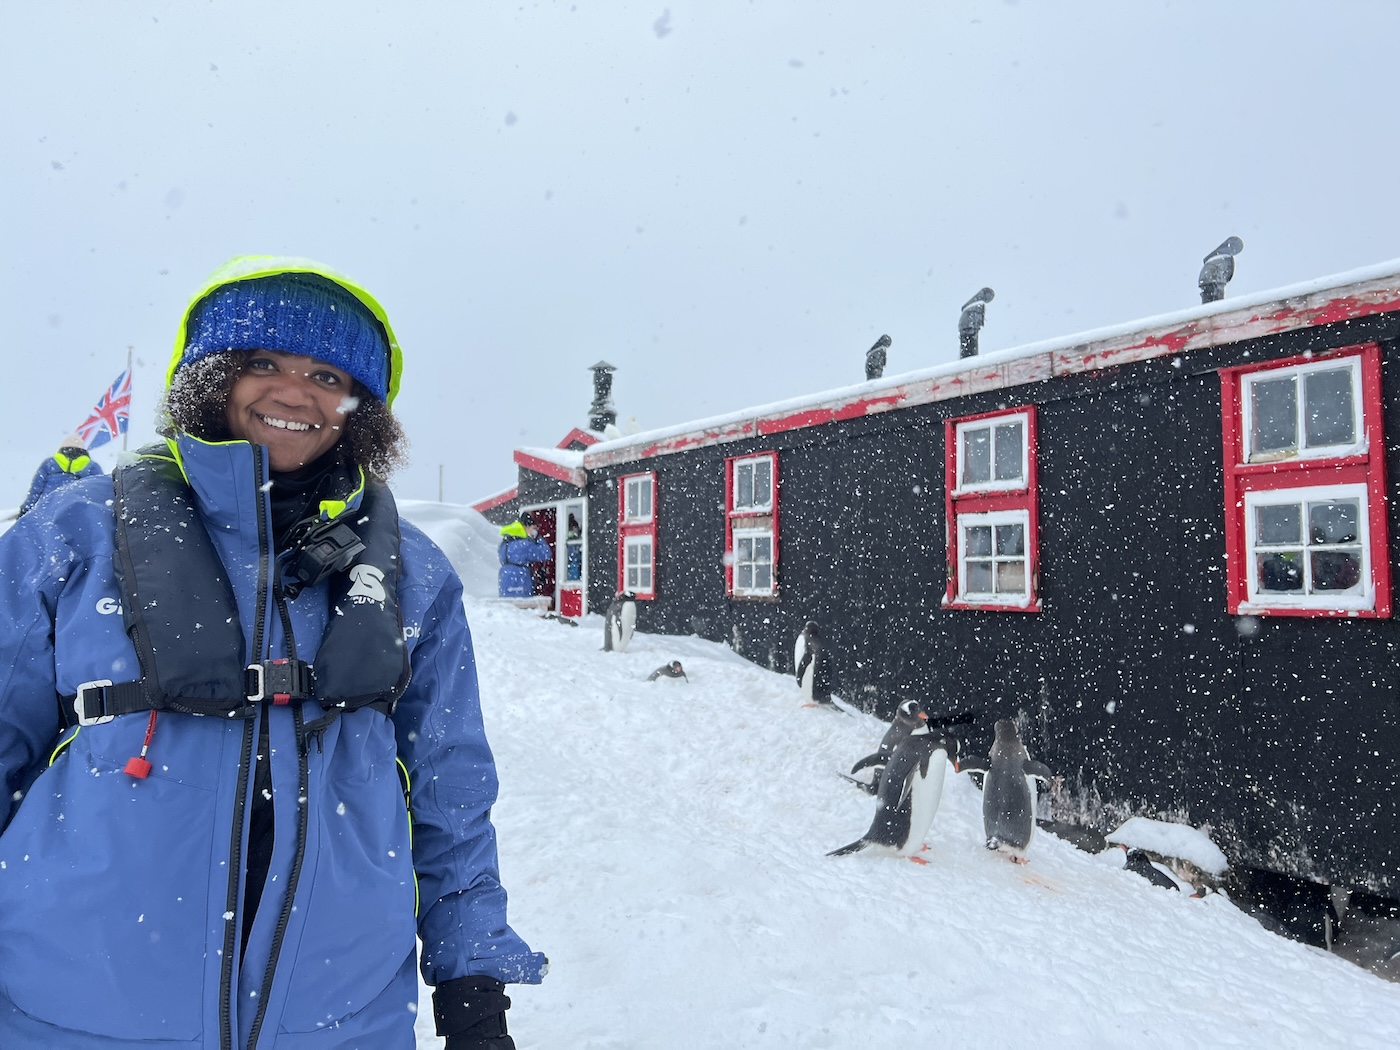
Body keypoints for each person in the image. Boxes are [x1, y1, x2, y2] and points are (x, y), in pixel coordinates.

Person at [0, 256, 545, 1049]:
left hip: (339, 1021)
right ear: (212, 376)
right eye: (263, 362)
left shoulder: (415, 573)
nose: (294, 392)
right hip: (73, 1015)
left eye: (328, 374)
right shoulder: (70, 534)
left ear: (361, 407)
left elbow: (450, 790)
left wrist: (472, 981)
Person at [16, 434, 103, 516]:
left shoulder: (49, 464)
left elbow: (35, 490)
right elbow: (99, 493)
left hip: (48, 509)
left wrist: (26, 509)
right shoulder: (92, 467)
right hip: (77, 511)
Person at [497, 512, 552, 598]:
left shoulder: (504, 543)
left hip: (505, 578)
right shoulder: (525, 545)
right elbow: (546, 553)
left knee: (508, 607)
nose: (535, 531)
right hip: (520, 578)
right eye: (533, 528)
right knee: (523, 607)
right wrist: (538, 538)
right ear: (526, 527)